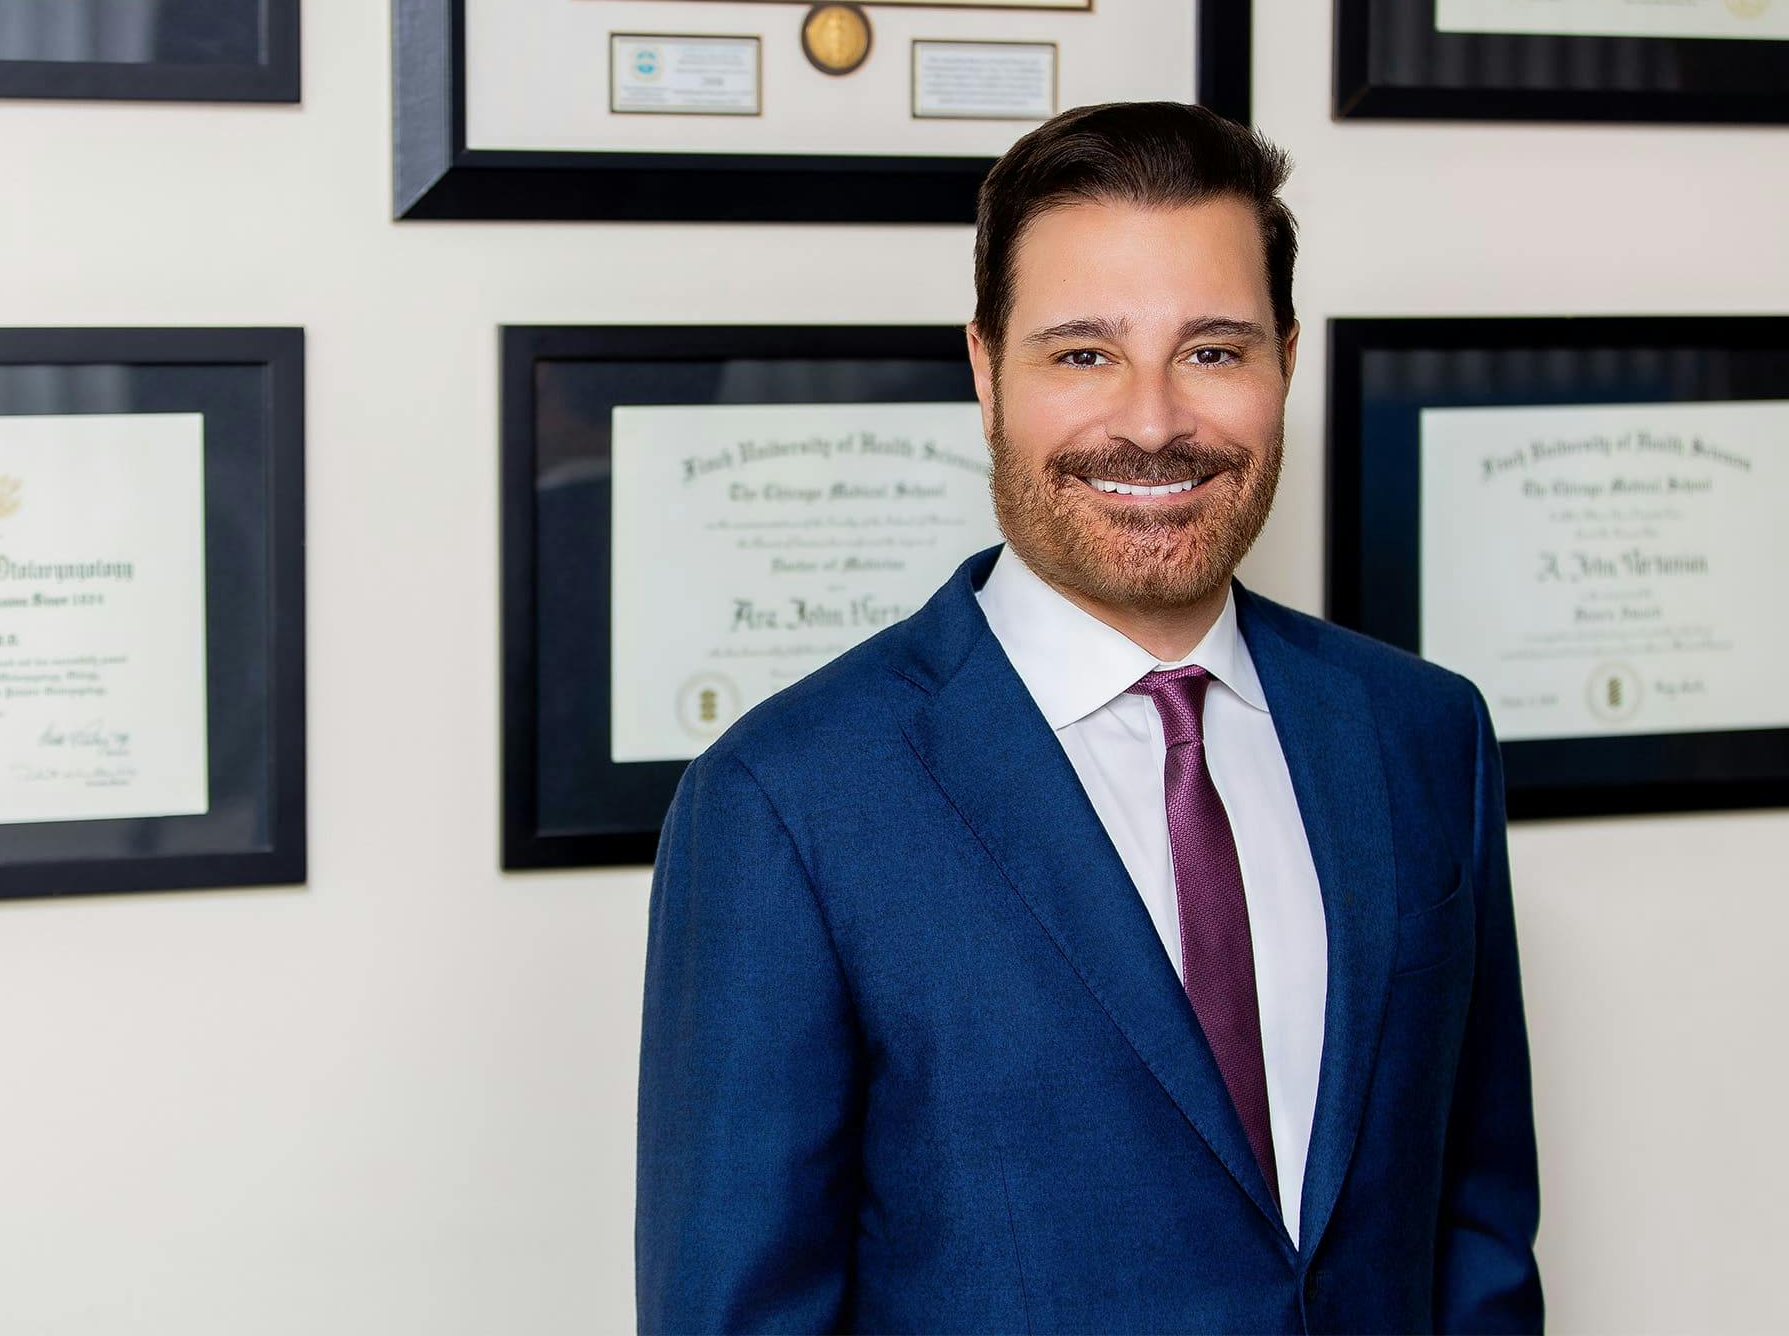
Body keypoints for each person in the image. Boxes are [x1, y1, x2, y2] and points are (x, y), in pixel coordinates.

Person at [635, 102, 1543, 1333]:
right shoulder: (786, 801)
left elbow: (1476, 1229)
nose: (1154, 422)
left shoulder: (1423, 734)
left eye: (1212, 351)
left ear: (1286, 359)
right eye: (1082, 355)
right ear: (984, 370)